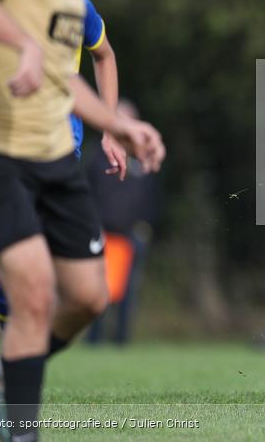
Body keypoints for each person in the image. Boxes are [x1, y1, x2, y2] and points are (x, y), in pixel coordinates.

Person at [0, 0, 165, 441]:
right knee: (30, 293)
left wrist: (114, 124)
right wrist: (21, 44)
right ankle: (21, 429)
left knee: (87, 297)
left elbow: (68, 73)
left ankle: (6, 371)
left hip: (57, 152)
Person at [0, 0, 128, 334]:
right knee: (22, 258)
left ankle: (14, 353)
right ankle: (15, 354)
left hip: (61, 143)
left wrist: (112, 129)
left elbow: (105, 57)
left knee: (73, 283)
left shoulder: (70, 0)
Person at [85, 99, 161, 345]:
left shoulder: (143, 160)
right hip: (102, 234)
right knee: (97, 291)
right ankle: (93, 341)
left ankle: (121, 340)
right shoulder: (96, 158)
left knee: (128, 292)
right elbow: (87, 193)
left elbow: (152, 196)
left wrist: (145, 226)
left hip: (131, 236)